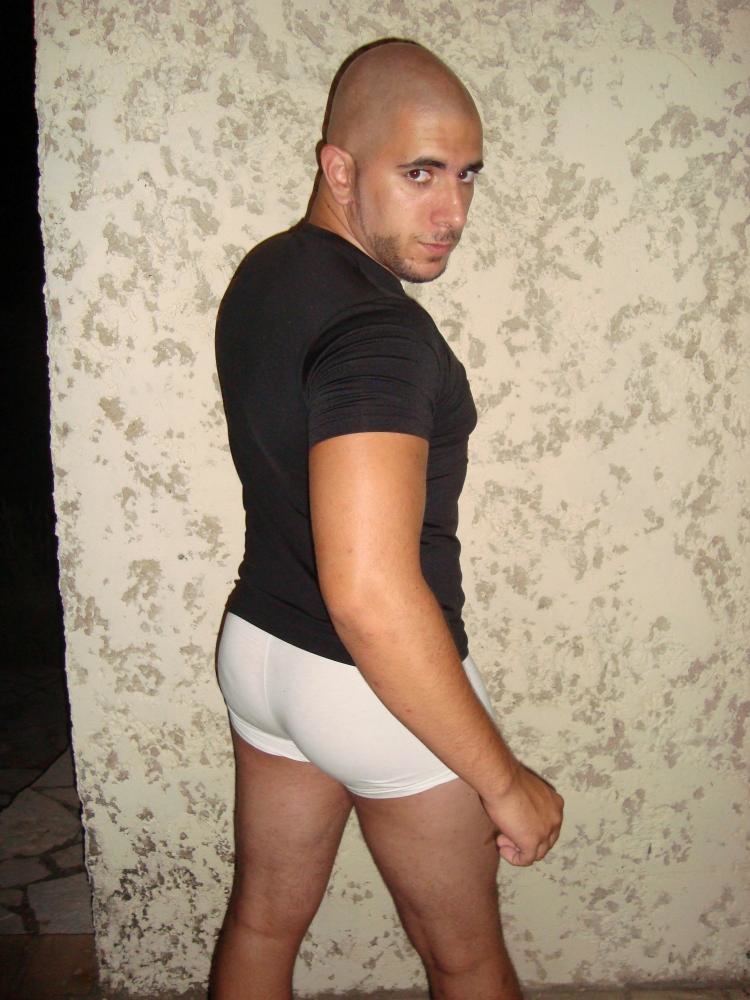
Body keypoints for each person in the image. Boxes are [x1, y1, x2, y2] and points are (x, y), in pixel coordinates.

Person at [210, 39, 563, 1000]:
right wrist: (504, 782)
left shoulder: (266, 274)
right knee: (463, 955)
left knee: (262, 919)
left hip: (263, 653)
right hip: (370, 681)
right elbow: (369, 592)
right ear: (340, 169)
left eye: (467, 175)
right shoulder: (380, 331)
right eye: (419, 173)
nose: (453, 213)